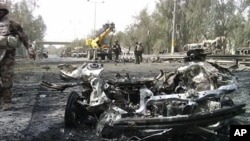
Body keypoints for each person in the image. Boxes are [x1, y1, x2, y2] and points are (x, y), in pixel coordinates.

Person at [0, 2, 36, 111]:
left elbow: (24, 37)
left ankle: (7, 102)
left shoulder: (12, 24)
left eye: (1, 11)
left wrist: (29, 49)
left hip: (7, 57)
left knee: (6, 80)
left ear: (5, 12)